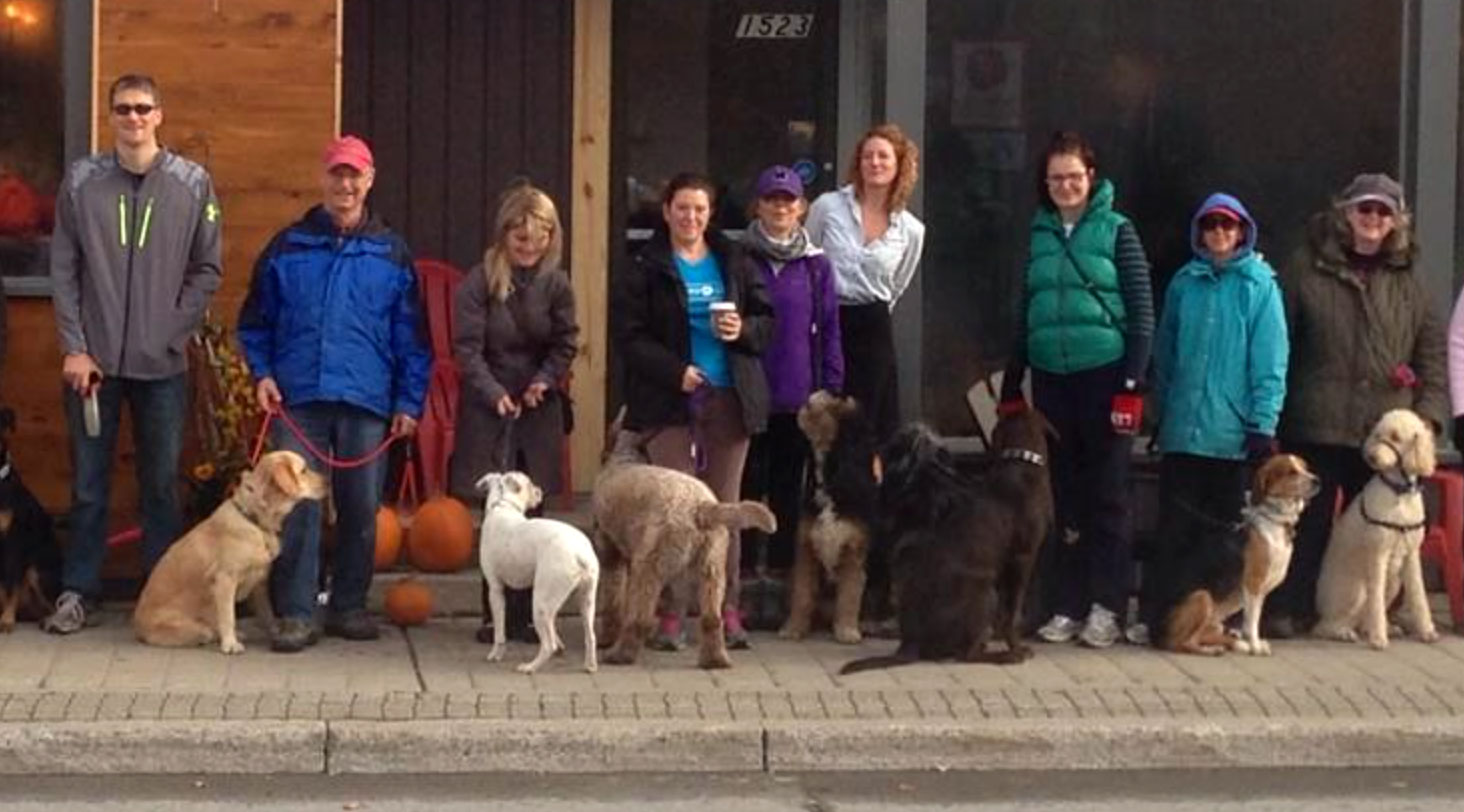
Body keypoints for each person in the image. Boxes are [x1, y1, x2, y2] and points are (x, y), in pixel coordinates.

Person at [237, 134, 431, 653]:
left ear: (369, 181)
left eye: (355, 175)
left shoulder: (391, 252)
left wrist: (409, 403)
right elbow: (254, 322)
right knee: (295, 508)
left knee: (361, 507)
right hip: (298, 399)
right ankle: (297, 613)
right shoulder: (287, 246)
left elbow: (413, 338)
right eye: (337, 174)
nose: (345, 184)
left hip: (367, 401)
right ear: (324, 178)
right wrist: (262, 374)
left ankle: (348, 605)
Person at [44, 74, 223, 634]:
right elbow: (64, 269)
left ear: (159, 115)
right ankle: (79, 592)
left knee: (161, 485)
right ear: (110, 115)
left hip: (162, 365)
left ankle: (161, 593)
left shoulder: (192, 184)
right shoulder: (82, 182)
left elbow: (207, 269)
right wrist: (75, 346)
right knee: (89, 485)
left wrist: (171, 330)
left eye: (143, 108)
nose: (133, 118)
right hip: (92, 365)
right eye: (123, 109)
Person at [1270, 172, 1446, 638]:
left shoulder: (1412, 280)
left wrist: (1427, 422)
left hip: (1385, 430)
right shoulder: (1305, 268)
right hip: (1316, 419)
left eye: (1383, 212)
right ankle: (1291, 607)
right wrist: (1271, 412)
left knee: (1388, 531)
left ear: (1396, 220)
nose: (1373, 219)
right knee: (1308, 524)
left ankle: (1379, 611)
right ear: (1345, 213)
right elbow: (1280, 343)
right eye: (1364, 209)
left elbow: (1431, 356)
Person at [1000, 130, 1155, 649]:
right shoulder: (1038, 233)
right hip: (1051, 378)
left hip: (1104, 374)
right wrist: (1012, 378)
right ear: (1044, 184)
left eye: (1074, 176)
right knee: (1061, 495)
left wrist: (1132, 384)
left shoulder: (1117, 230)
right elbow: (1025, 309)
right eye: (1056, 178)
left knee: (1108, 496)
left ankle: (1107, 605)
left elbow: (1141, 313)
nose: (1065, 185)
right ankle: (1066, 603)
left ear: (1091, 177)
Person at [613, 172, 773, 650]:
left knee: (724, 510)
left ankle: (724, 612)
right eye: (682, 208)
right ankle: (667, 614)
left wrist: (740, 330)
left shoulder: (734, 259)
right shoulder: (645, 266)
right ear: (666, 212)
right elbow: (630, 337)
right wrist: (674, 371)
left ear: (710, 214)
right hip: (670, 403)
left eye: (699, 209)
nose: (691, 217)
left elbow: (768, 323)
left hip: (729, 398)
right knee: (674, 513)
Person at [1140, 194, 1288, 639]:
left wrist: (1263, 423)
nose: (1219, 233)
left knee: (1223, 543)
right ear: (1199, 232)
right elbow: (1165, 354)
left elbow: (1270, 361)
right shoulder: (1185, 284)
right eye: (1210, 225)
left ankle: (1220, 620)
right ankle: (1160, 620)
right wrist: (1159, 411)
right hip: (1184, 431)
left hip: (1231, 435)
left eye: (1228, 225)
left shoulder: (1260, 286)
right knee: (1173, 533)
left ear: (1242, 231)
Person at [449, 182, 578, 645]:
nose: (529, 248)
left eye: (539, 240)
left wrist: (546, 380)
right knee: (498, 512)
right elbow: (466, 348)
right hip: (491, 403)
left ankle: (533, 613)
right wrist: (492, 391)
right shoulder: (478, 281)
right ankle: (495, 614)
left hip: (537, 405)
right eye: (521, 239)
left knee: (534, 509)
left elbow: (566, 342)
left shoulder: (556, 284)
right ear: (505, 235)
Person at [739, 164, 844, 598]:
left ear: (801, 208)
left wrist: (831, 387)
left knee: (787, 489)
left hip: (796, 397)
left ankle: (780, 581)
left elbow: (830, 328)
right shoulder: (739, 257)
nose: (780, 207)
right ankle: (741, 577)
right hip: (748, 392)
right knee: (746, 485)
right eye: (771, 199)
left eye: (788, 200)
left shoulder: (816, 266)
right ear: (758, 206)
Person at [805, 123, 924, 443]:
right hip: (829, 320)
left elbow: (897, 284)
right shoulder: (827, 207)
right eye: (868, 156)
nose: (875, 163)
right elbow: (806, 258)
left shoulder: (912, 230)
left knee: (869, 425)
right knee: (824, 418)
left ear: (899, 165)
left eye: (884, 157)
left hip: (873, 327)